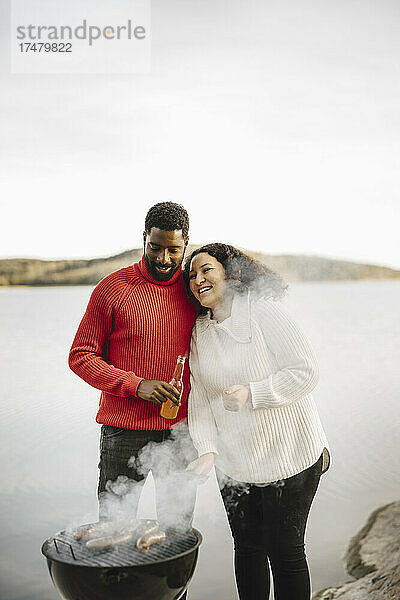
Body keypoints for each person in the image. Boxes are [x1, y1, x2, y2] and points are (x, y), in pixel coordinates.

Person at [183, 243, 330, 600]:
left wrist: (254, 392)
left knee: (285, 552)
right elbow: (199, 398)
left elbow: (306, 371)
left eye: (207, 270)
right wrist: (206, 450)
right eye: (191, 275)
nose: (198, 279)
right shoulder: (199, 332)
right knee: (247, 550)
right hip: (235, 465)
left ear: (230, 272)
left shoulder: (264, 312)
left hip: (290, 456)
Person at [68, 202, 198, 565]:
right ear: (144, 238)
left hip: (181, 432)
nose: (163, 257)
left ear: (186, 243)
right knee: (113, 534)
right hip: (122, 431)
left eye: (173, 249)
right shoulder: (113, 288)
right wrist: (135, 384)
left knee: (177, 535)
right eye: (155, 246)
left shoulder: (195, 290)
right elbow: (80, 356)